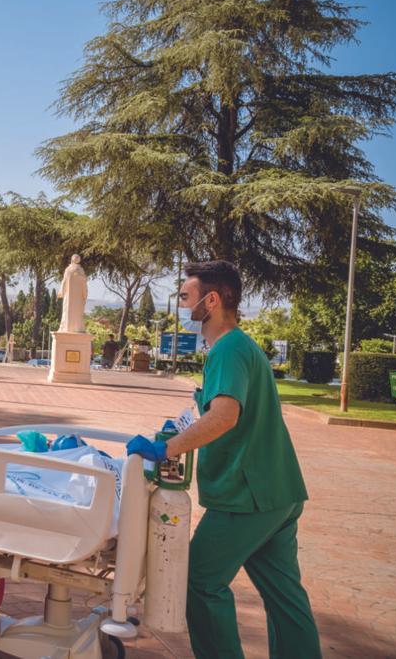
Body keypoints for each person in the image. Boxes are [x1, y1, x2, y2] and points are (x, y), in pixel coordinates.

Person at [126, 261, 319, 659]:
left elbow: (225, 416)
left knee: (198, 580)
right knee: (284, 596)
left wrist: (169, 448)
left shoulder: (228, 349)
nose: (180, 305)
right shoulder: (241, 346)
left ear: (210, 301)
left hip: (245, 496)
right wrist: (181, 430)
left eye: (185, 297)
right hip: (278, 493)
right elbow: (222, 412)